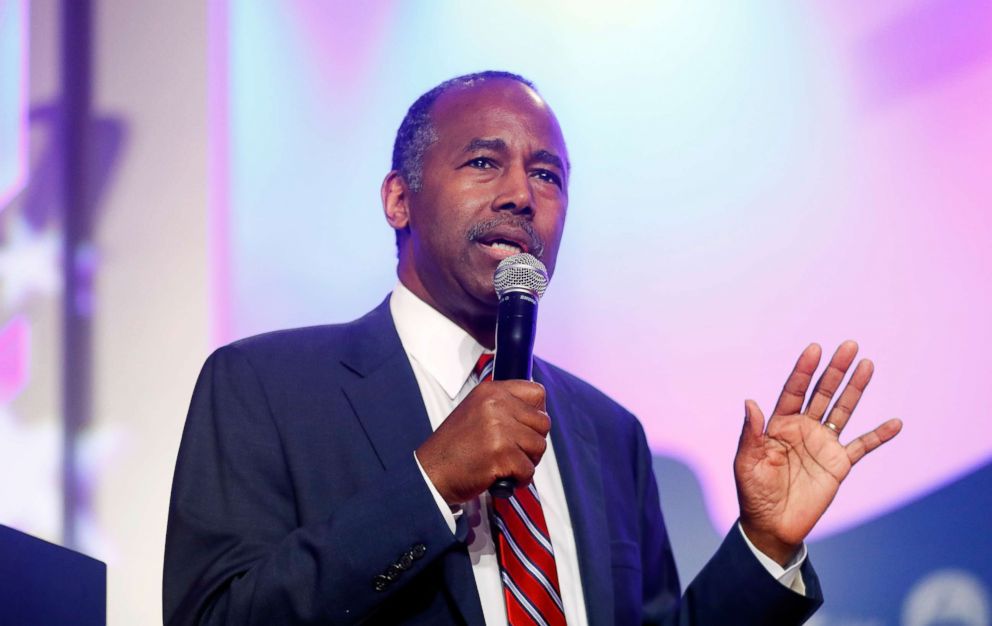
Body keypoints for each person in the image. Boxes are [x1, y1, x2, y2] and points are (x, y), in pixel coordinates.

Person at [163, 71, 902, 625]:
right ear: (398, 199)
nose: (522, 193)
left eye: (546, 175)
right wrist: (428, 483)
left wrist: (765, 546)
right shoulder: (265, 386)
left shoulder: (607, 433)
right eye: (484, 163)